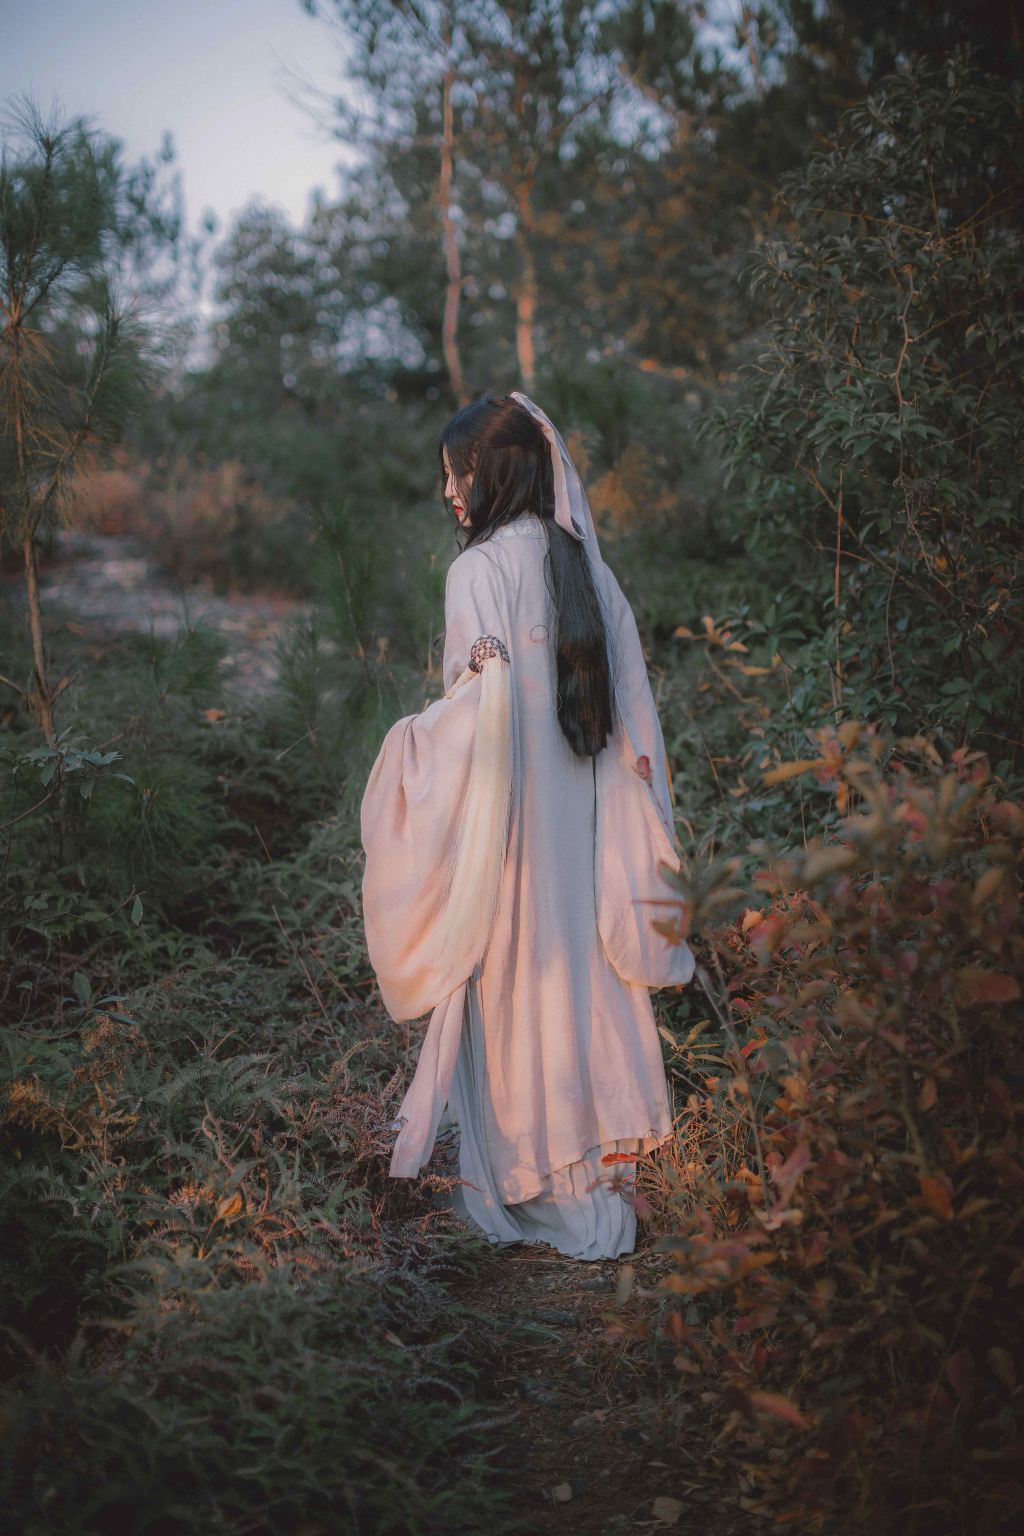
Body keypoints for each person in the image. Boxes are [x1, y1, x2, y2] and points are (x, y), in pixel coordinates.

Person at [360, 391, 694, 1261]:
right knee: (581, 982)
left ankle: (534, 1179)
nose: (448, 492)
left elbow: (476, 717)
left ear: (495, 473)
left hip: (508, 840)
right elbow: (632, 723)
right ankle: (601, 1170)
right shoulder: (588, 570)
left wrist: (408, 745)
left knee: (518, 991)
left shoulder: (478, 573)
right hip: (587, 837)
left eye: (456, 473)